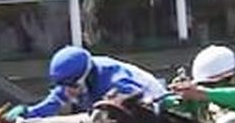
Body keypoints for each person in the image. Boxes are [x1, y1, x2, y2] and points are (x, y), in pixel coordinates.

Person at [23, 45, 166, 118]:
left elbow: (137, 109)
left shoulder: (115, 83)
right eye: (61, 86)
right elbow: (48, 106)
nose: (66, 92)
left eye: (72, 86)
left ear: (86, 77)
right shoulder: (70, 80)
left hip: (153, 102)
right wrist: (24, 114)